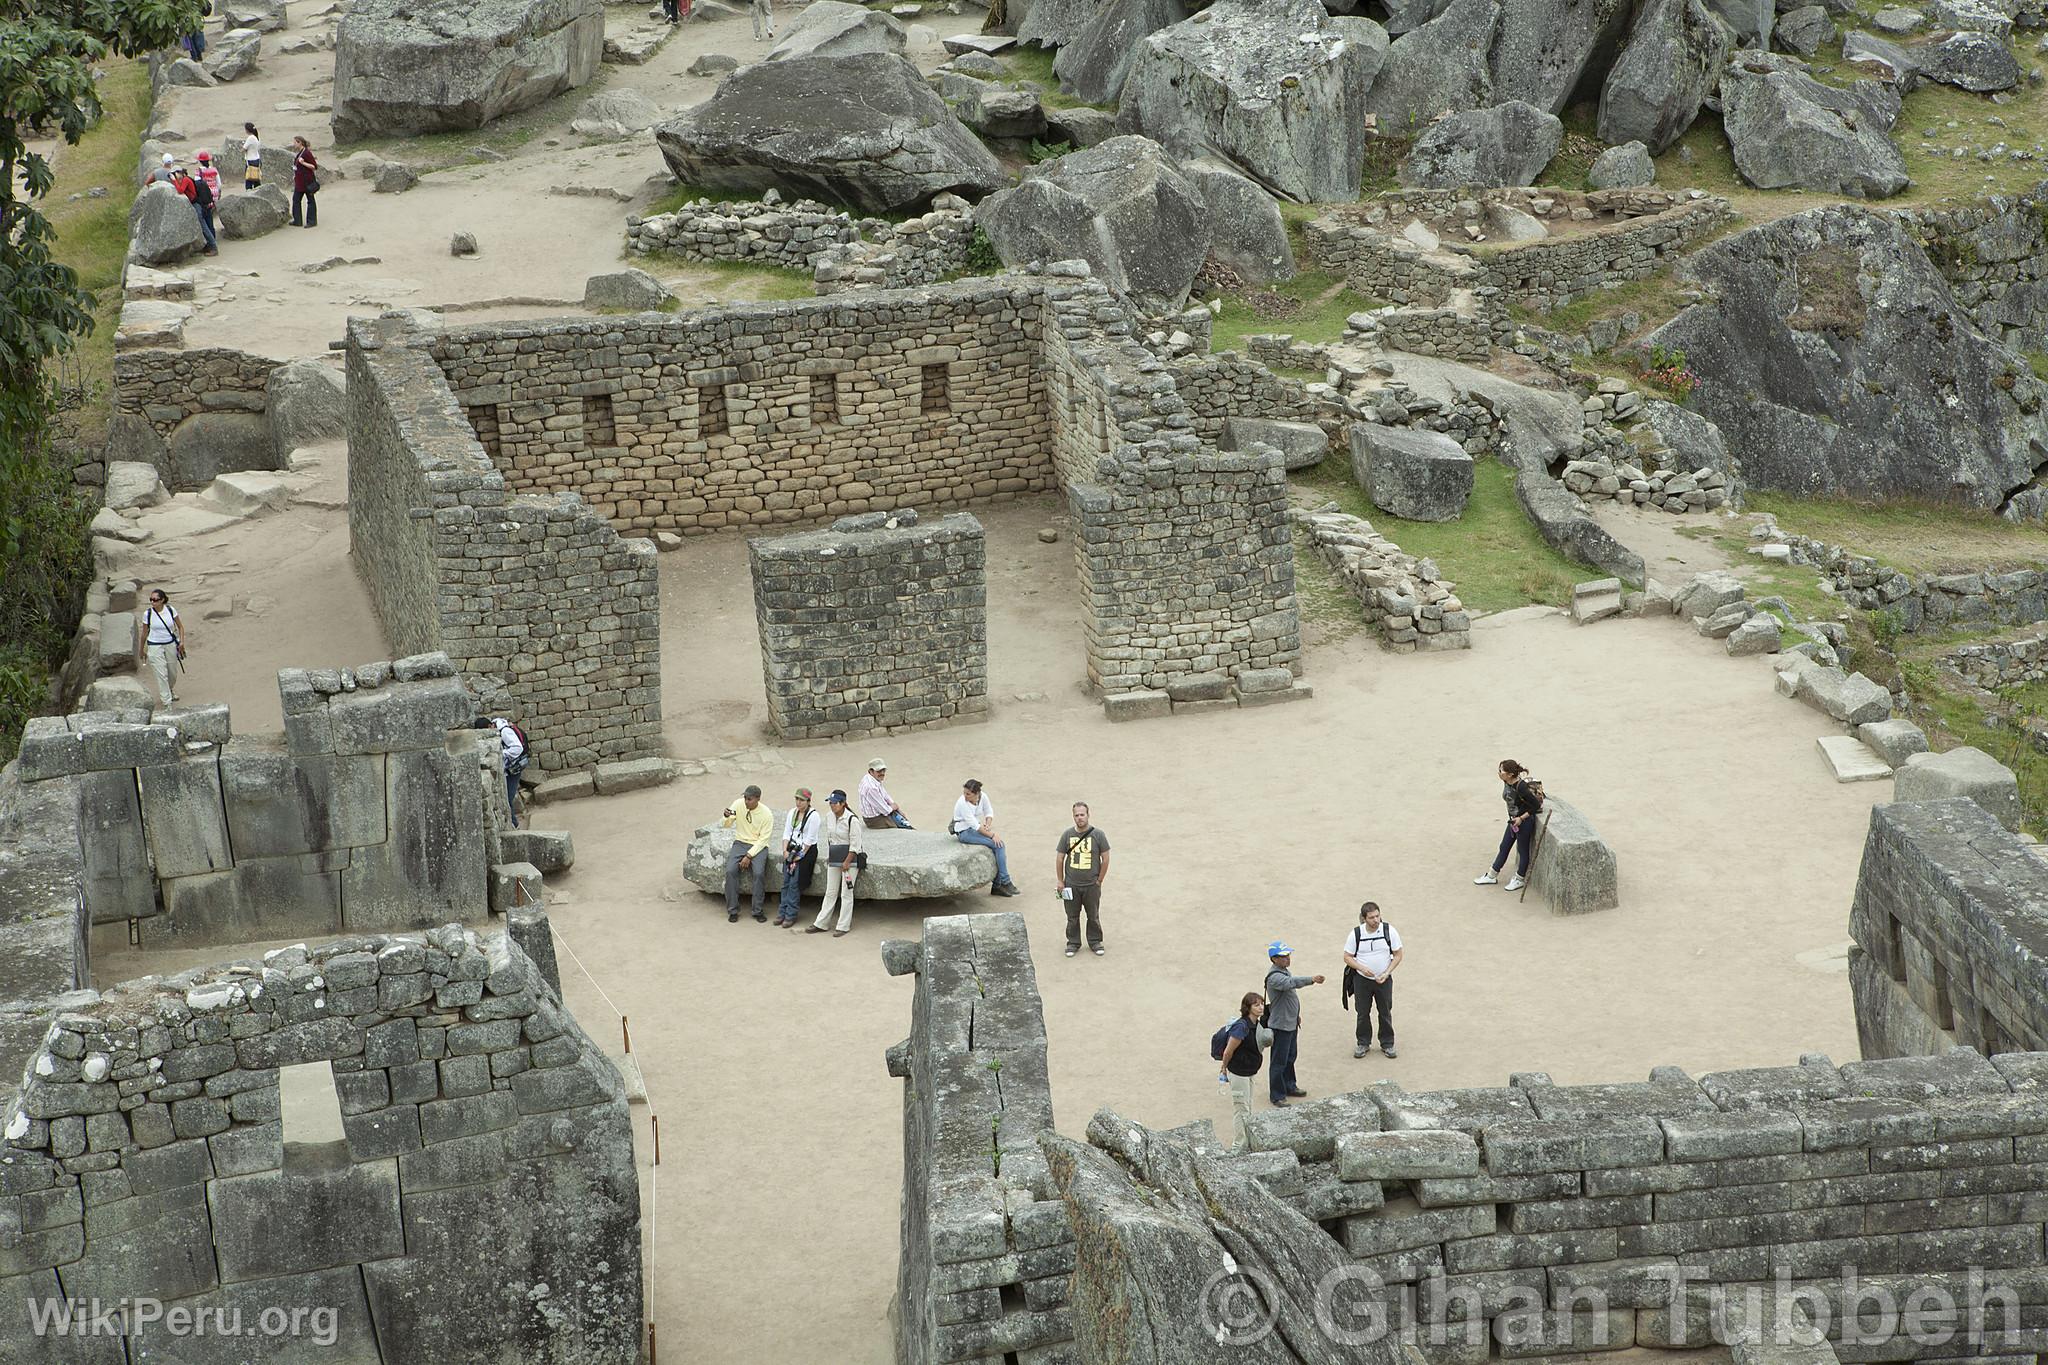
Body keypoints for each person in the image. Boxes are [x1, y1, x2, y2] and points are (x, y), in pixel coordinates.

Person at [1263, 942, 1323, 1107]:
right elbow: (1291, 983)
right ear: (1274, 959)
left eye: (1288, 955)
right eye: (1283, 956)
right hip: (1281, 1026)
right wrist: (1311, 979)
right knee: (1279, 1061)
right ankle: (1277, 1095)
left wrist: (1295, 1015)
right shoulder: (1275, 977)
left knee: (1290, 1057)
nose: (1288, 958)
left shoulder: (1283, 971)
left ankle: (1289, 1085)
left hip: (1290, 1023)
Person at [1341, 902, 1403, 1059]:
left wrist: (1387, 973)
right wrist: (1361, 968)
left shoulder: (1389, 931)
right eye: (1371, 917)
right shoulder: (1356, 934)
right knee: (1362, 1013)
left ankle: (1387, 1043)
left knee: (1385, 1011)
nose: (1376, 920)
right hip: (1362, 981)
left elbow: (1398, 955)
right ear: (1363, 918)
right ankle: (1363, 1043)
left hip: (1384, 979)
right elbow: (1347, 957)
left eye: (1377, 916)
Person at [1474, 759, 1543, 893]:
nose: (1499, 773)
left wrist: (1521, 818)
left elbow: (1535, 805)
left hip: (1523, 822)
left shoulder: (1521, 787)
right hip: (1513, 821)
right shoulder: (1506, 782)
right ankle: (1492, 875)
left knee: (1522, 850)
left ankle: (1519, 879)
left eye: (1501, 771)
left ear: (1510, 774)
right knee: (1504, 846)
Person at [1054, 802, 1110, 959]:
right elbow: (1060, 858)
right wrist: (1060, 880)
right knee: (1072, 916)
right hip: (1071, 884)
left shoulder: (1098, 835)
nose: (1079, 818)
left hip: (1092, 885)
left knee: (1093, 915)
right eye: (1076, 815)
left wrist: (1100, 880)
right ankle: (1073, 942)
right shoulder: (1067, 835)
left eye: (1082, 814)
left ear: (1088, 815)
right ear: (1073, 816)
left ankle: (1095, 941)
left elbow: (1105, 858)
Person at [808, 789, 864, 936]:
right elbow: (830, 838)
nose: (832, 806)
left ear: (843, 803)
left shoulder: (852, 820)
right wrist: (831, 855)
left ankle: (843, 926)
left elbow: (855, 844)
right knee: (831, 891)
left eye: (835, 803)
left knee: (846, 892)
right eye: (831, 803)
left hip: (849, 861)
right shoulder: (829, 817)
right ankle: (821, 923)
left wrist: (847, 861)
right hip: (835, 858)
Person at [1216, 993, 1267, 1153]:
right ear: (1248, 1008)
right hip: (1239, 1073)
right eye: (1256, 1005)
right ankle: (1238, 1146)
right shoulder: (1241, 1027)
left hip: (1249, 1071)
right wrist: (1224, 1068)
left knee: (1248, 1106)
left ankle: (1247, 1141)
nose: (1260, 1007)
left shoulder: (1255, 1023)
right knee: (1241, 1109)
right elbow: (1228, 1051)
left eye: (1261, 1004)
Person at [952, 779, 1018, 897]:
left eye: (968, 794)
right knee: (998, 845)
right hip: (964, 832)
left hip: (974, 829)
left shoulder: (983, 797)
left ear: (977, 793)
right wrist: (992, 835)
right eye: (964, 793)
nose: (965, 796)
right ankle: (1005, 881)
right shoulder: (962, 803)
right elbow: (975, 825)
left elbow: (989, 812)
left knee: (998, 846)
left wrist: (988, 823)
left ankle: (998, 885)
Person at [720, 786, 775, 922]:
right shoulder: (738, 804)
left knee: (758, 873)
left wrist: (749, 855)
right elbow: (726, 824)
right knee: (730, 871)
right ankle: (733, 910)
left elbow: (763, 840)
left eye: (749, 799)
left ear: (758, 799)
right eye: (745, 797)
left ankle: (757, 910)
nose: (745, 801)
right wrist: (725, 817)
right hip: (740, 842)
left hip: (758, 846)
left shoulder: (766, 814)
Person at [775, 788, 822, 928]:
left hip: (805, 852)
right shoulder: (792, 813)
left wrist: (798, 857)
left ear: (808, 801)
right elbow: (786, 833)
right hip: (791, 849)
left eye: (801, 800)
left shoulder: (814, 816)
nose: (798, 802)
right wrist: (785, 850)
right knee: (786, 882)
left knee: (795, 884)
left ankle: (791, 914)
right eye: (797, 799)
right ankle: (782, 912)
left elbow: (809, 840)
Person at [472, 718, 528, 827]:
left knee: (508, 798)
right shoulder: (499, 728)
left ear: (490, 726)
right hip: (509, 769)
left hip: (513, 770)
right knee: (507, 797)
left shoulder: (505, 731)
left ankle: (514, 825)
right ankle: (513, 824)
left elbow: (517, 748)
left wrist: (501, 753)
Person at [138, 589, 184, 707]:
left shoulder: (170, 610)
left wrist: (181, 642)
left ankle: (170, 690)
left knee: (172, 672)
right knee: (161, 674)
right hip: (154, 645)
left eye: (155, 600)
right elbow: (144, 633)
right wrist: (141, 649)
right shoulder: (147, 614)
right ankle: (167, 702)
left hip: (170, 643)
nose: (152, 602)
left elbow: (180, 627)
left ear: (162, 600)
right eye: (151, 600)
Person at [857, 759, 910, 829]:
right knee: (901, 826)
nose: (882, 773)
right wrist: (894, 807)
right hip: (874, 820)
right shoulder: (871, 787)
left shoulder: (872, 778)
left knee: (901, 819)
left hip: (881, 812)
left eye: (883, 770)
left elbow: (885, 795)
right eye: (879, 771)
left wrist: (897, 809)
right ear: (871, 771)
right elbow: (885, 810)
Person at [192, 151, 221, 256]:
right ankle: (213, 238)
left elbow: (197, 185)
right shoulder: (214, 170)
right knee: (210, 217)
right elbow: (219, 184)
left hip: (205, 197)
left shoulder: (199, 171)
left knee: (205, 219)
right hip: (214, 195)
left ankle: (210, 243)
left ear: (200, 161)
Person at [290, 137, 319, 228]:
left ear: (300, 143)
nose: (293, 144)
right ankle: (297, 220)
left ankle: (311, 221)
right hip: (299, 182)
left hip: (307, 181)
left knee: (310, 201)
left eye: (295, 142)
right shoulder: (300, 153)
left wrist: (303, 163)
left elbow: (314, 166)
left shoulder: (306, 153)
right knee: (296, 200)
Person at [241, 124, 264, 190]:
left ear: (247, 130)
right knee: (256, 179)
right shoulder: (257, 137)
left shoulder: (250, 138)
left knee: (249, 180)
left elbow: (244, 148)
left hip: (251, 160)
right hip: (257, 160)